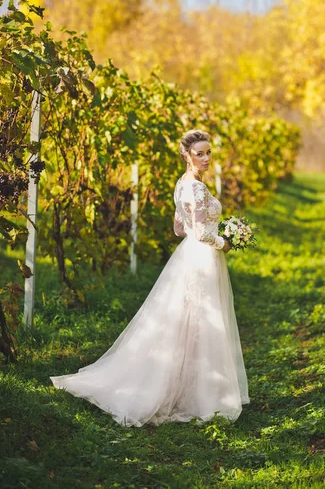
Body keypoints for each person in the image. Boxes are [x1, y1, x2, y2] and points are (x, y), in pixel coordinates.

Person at [50, 129, 250, 427]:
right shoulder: (194, 188)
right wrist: (226, 240)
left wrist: (216, 229)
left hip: (190, 255)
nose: (206, 158)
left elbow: (178, 230)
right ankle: (199, 393)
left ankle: (191, 385)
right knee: (200, 320)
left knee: (188, 319)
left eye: (208, 153)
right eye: (200, 154)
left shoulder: (182, 185)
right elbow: (198, 232)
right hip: (203, 257)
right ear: (187, 155)